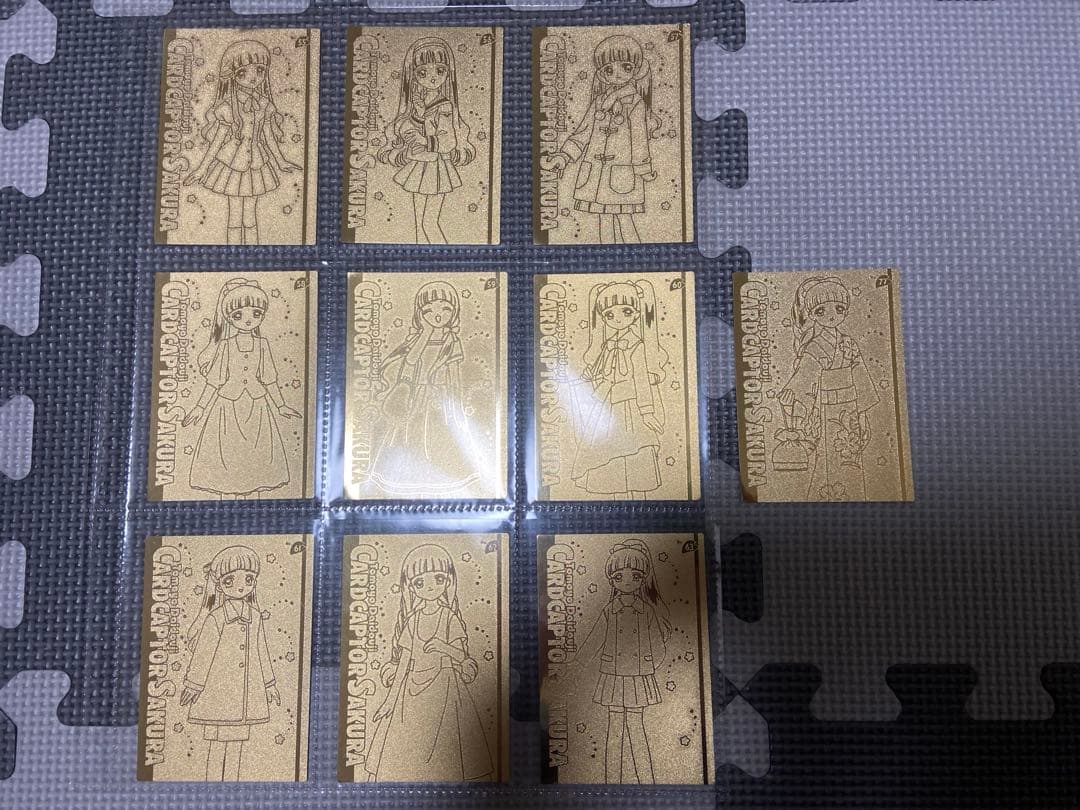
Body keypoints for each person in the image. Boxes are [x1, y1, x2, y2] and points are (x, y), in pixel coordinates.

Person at [364, 545, 493, 781]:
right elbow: (403, 663)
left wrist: (443, 647)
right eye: (420, 582)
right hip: (410, 694)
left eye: (438, 578)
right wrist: (389, 702)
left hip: (445, 687)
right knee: (407, 743)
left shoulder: (449, 617)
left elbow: (463, 658)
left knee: (447, 745)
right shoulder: (412, 620)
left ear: (448, 581)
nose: (430, 586)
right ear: (410, 587)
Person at [183, 278, 299, 499]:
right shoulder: (225, 345)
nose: (248, 319)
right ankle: (228, 503)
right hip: (227, 407)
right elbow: (214, 380)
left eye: (256, 313)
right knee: (227, 454)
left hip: (257, 407)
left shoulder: (263, 344)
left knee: (256, 456)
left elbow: (269, 378)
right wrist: (199, 408)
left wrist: (281, 405)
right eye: (238, 315)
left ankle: (253, 503)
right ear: (229, 317)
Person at [183, 39, 301, 245]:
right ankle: (234, 252)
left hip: (257, 164)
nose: (253, 77)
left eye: (260, 70)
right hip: (232, 164)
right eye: (242, 73)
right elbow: (217, 142)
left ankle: (254, 253)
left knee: (250, 218)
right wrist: (201, 170)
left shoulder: (264, 104)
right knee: (235, 217)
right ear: (232, 76)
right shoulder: (227, 107)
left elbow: (268, 137)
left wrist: (281, 161)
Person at [547, 35, 661, 244]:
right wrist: (564, 156)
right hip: (595, 175)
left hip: (622, 174)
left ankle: (635, 255)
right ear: (602, 74)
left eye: (625, 67)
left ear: (636, 69)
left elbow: (639, 139)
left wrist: (643, 168)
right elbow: (582, 133)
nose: (617, 74)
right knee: (604, 221)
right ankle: (608, 256)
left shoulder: (636, 103)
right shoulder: (599, 101)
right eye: (609, 70)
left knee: (625, 220)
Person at [180, 546, 279, 781]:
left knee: (236, 747)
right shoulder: (215, 617)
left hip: (245, 696)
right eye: (230, 580)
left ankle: (232, 784)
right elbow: (203, 653)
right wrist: (194, 685)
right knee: (217, 746)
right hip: (218, 693)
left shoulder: (255, 616)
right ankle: (213, 785)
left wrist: (269, 684)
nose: (241, 586)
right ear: (219, 584)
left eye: (248, 579)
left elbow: (262, 651)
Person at [777, 276, 880, 500]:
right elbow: (805, 376)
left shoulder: (848, 343)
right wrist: (792, 394)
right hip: (826, 408)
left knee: (850, 454)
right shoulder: (814, 346)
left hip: (850, 406)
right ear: (812, 314)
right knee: (828, 454)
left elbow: (861, 377)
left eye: (839, 308)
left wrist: (862, 413)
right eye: (822, 311)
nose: (832, 315)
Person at [571, 280, 669, 499]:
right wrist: (582, 378)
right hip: (608, 405)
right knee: (608, 454)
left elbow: (641, 380)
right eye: (609, 314)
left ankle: (641, 503)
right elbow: (600, 370)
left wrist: (647, 411)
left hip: (631, 407)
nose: (617, 319)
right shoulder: (608, 345)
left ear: (636, 314)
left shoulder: (637, 345)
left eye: (626, 311)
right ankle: (615, 501)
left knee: (634, 453)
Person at [377, 37, 476, 244]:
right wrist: (420, 116)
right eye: (423, 72)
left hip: (437, 167)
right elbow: (416, 127)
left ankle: (444, 257)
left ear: (448, 73)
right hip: (420, 165)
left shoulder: (446, 106)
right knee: (419, 224)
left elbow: (448, 140)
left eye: (439, 70)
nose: (432, 78)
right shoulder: (419, 103)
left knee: (430, 222)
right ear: (412, 75)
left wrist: (423, 139)